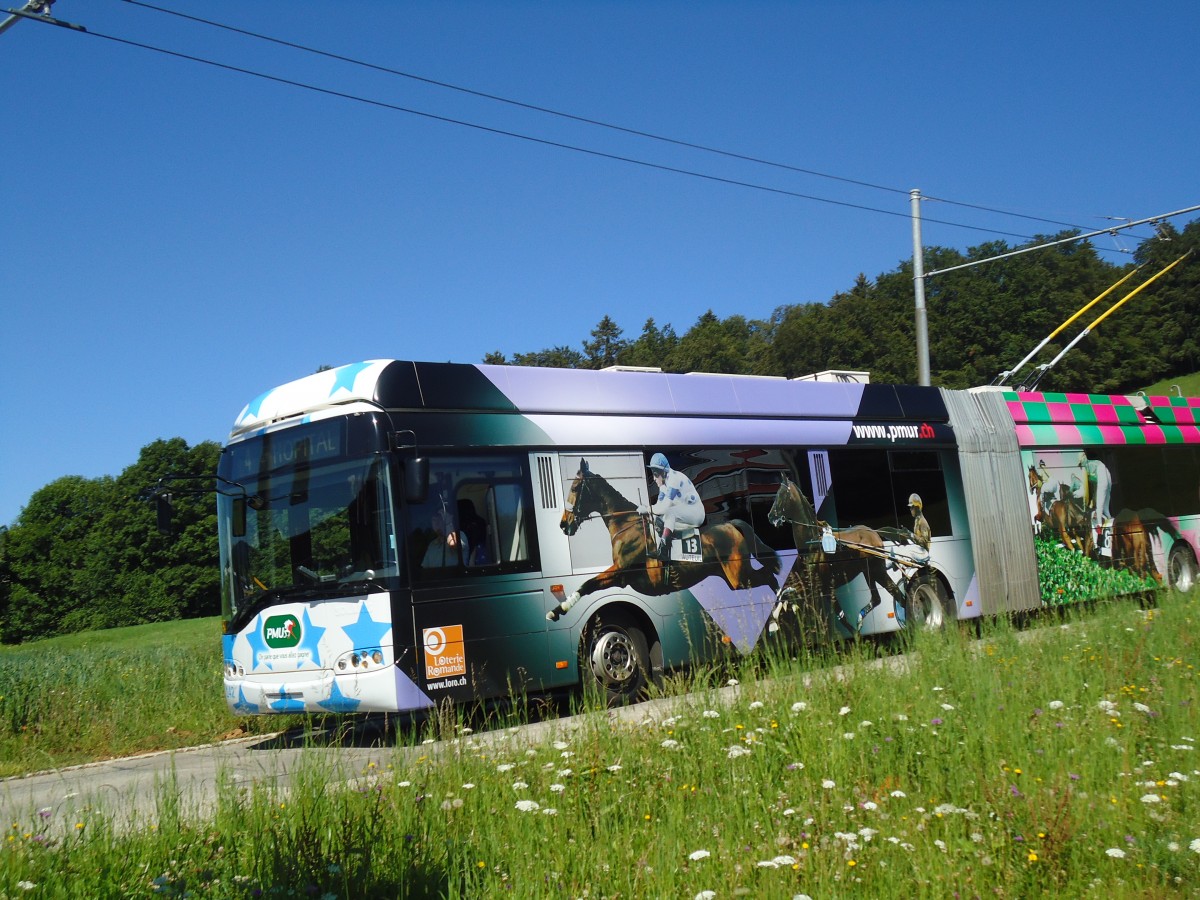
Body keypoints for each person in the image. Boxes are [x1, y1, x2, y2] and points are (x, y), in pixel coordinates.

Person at [637, 452, 704, 560]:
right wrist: (648, 513)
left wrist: (647, 509)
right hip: (684, 513)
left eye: (655, 474)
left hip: (696, 513)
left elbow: (664, 508)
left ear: (663, 472)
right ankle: (663, 550)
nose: (654, 478)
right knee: (658, 518)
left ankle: (664, 550)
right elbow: (659, 506)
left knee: (670, 512)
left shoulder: (674, 479)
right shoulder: (664, 485)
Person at [1076, 451, 1112, 529]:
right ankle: (1110, 521)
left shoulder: (1086, 467)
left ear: (1083, 458)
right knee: (1105, 506)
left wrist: (1079, 495)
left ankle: (1099, 526)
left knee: (1100, 505)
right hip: (1105, 471)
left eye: (1080, 463)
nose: (1081, 466)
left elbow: (1086, 488)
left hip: (1101, 472)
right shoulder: (1093, 463)